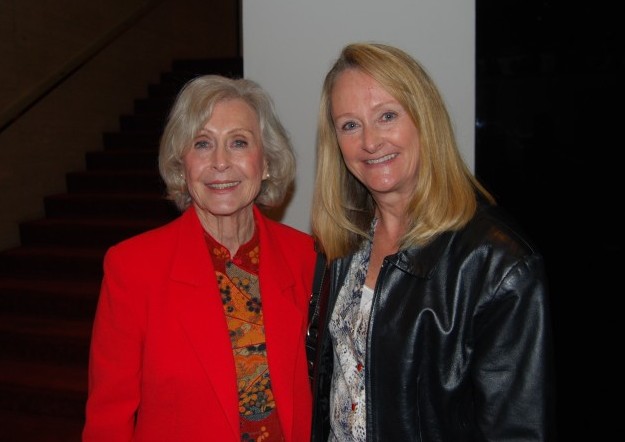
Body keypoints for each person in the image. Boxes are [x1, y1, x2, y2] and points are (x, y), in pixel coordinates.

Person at [308, 42, 555, 441]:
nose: (369, 142)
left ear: (425, 120)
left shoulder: (499, 264)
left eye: (387, 116)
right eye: (350, 125)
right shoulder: (342, 246)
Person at [83, 74, 316, 441]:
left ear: (266, 162)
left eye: (238, 142)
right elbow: (108, 421)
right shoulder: (132, 267)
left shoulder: (306, 256)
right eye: (202, 144)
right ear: (182, 164)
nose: (220, 162)